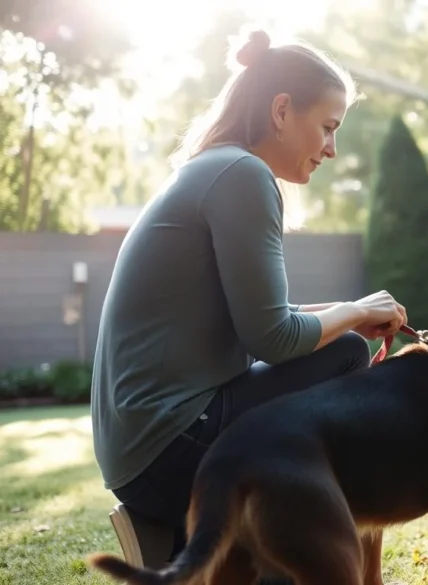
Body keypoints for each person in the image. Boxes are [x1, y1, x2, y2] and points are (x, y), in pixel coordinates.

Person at [89, 28, 407, 569]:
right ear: (282, 110)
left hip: (143, 449)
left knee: (347, 343)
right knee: (350, 354)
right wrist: (354, 314)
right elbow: (274, 339)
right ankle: (308, 543)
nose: (332, 149)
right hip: (171, 450)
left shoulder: (216, 169)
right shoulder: (242, 175)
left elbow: (260, 321)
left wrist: (351, 312)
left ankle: (269, 547)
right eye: (328, 128)